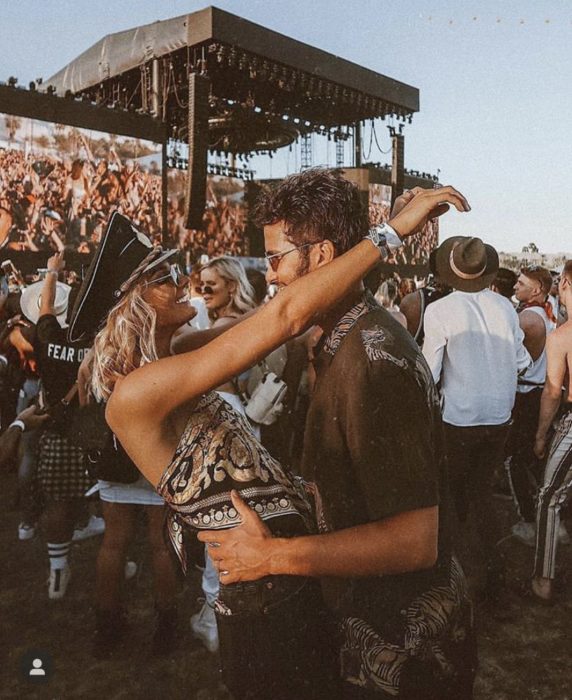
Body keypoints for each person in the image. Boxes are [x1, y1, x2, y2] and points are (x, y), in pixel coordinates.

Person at [70, 185, 468, 698]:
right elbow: (285, 317)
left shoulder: (176, 356)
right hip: (262, 591)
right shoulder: (137, 394)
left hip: (282, 579)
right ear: (132, 303)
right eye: (164, 277)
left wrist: (343, 254)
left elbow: (277, 318)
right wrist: (388, 235)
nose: (184, 282)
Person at [196, 172, 475, 699]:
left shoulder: (373, 364)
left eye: (276, 259)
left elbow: (414, 541)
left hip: (403, 653)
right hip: (364, 633)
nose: (271, 278)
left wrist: (273, 556)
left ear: (321, 255)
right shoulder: (332, 344)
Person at [423, 236, 531, 601]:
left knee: (452, 497)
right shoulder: (505, 308)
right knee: (481, 494)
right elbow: (523, 363)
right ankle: (492, 576)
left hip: (459, 417)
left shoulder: (439, 311)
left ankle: (454, 579)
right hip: (499, 416)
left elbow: (428, 372)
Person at [21, 253, 93, 600]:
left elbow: (46, 303)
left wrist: (51, 270)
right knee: (105, 506)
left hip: (59, 430)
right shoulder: (95, 336)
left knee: (58, 504)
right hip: (95, 431)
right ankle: (113, 559)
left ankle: (57, 572)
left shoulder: (46, 332)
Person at [531, 260, 572, 601]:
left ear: (568, 284)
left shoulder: (562, 337)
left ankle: (543, 581)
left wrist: (541, 435)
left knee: (548, 497)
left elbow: (552, 392)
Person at [509, 265, 558, 546]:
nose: (515, 287)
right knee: (533, 458)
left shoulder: (527, 318)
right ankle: (548, 517)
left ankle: (529, 521)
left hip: (525, 395)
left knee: (514, 460)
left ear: (536, 289)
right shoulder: (547, 313)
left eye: (520, 283)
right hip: (538, 394)